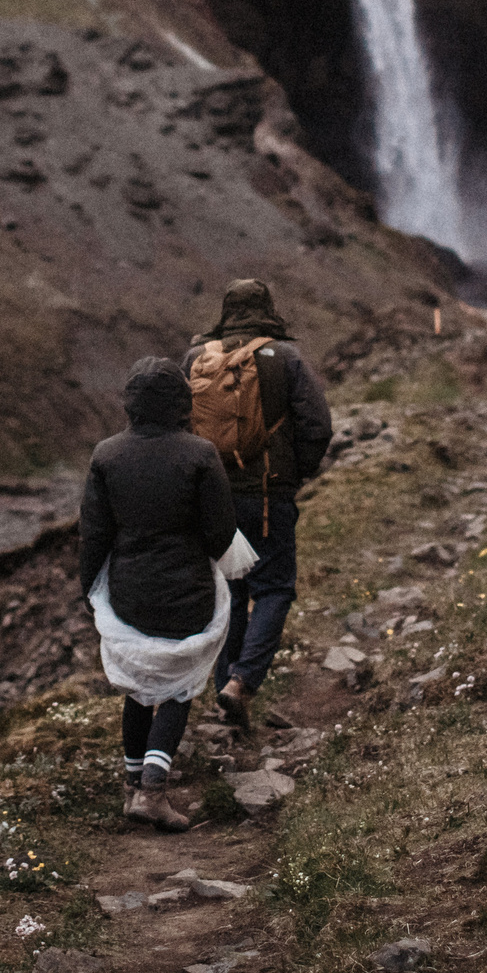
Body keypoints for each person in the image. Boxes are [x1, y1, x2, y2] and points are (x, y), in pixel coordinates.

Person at [77, 357, 239, 831]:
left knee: (138, 686)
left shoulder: (106, 455)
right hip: (185, 590)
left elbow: (94, 532)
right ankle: (153, 791)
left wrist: (88, 589)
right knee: (178, 686)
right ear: (180, 402)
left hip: (128, 591)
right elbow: (220, 532)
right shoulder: (200, 455)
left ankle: (132, 789)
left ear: (130, 403)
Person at [186, 278, 332, 727]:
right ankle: (242, 682)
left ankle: (226, 691)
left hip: (214, 500)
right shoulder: (285, 358)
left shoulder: (197, 359)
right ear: (268, 308)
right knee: (274, 588)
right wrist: (294, 474)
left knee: (229, 592)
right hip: (268, 497)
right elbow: (317, 425)